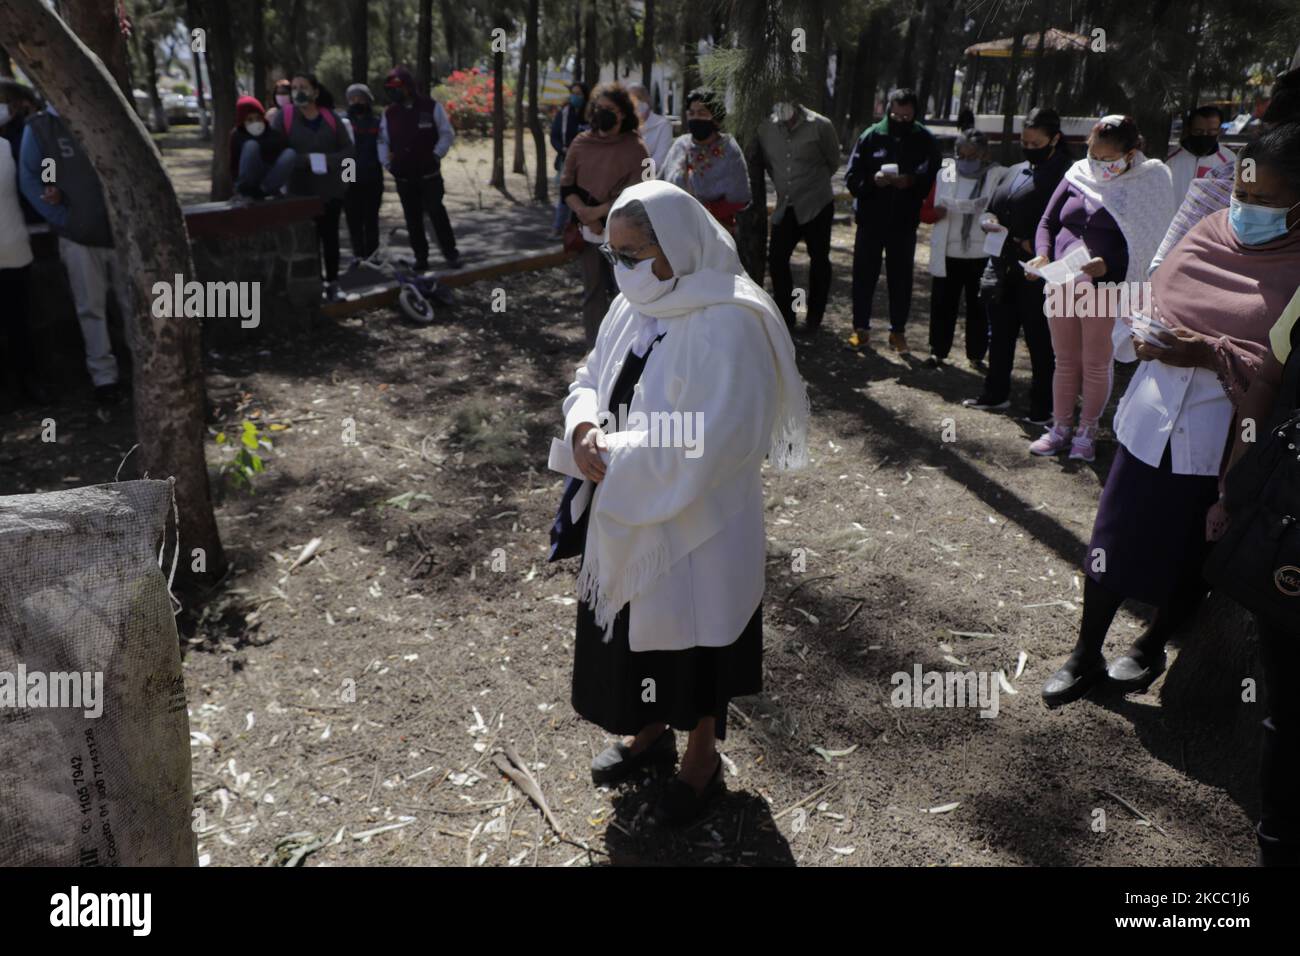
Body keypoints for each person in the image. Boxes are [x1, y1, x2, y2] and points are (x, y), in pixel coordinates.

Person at [553, 180, 809, 826]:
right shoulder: (634, 303)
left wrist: (621, 457)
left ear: (678, 244)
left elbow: (725, 433)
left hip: (700, 518)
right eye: (613, 254)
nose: (624, 268)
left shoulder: (731, 318)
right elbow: (591, 375)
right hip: (627, 498)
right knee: (637, 631)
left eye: (635, 253)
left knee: (698, 640)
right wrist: (584, 427)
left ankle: (701, 760)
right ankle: (649, 733)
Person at [1041, 124, 1300, 710]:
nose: (1245, 210)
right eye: (1242, 194)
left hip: (1224, 437)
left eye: (1264, 201)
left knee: (1193, 554)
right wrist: (1146, 330)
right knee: (1111, 540)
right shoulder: (1207, 231)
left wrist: (1208, 352)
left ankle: (1155, 641)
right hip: (1150, 420)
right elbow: (1154, 292)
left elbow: (1286, 369)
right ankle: (1084, 650)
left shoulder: (1297, 271)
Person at [1026, 115, 1175, 462]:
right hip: (1061, 280)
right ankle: (1060, 427)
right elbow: (1048, 221)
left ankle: (1087, 431)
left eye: (1108, 159)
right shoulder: (1078, 173)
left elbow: (1150, 241)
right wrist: (1042, 255)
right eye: (1094, 155)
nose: (1098, 165)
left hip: (1105, 286)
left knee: (1095, 361)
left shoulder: (1150, 180)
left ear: (1130, 152)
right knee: (1063, 359)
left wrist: (1108, 263)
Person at [963, 108, 1070, 421]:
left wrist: (1035, 245)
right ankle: (996, 393)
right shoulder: (1015, 169)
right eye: (1025, 142)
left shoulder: (1067, 174)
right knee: (1001, 333)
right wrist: (990, 221)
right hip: (1004, 266)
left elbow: (1069, 223)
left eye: (1036, 143)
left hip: (1041, 273)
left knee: (1040, 341)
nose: (1029, 148)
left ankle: (1043, 407)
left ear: (1055, 139)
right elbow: (994, 206)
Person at [19, 104, 129, 405]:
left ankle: (143, 364)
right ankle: (104, 378)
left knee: (133, 305)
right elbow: (33, 178)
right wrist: (60, 217)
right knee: (90, 309)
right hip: (79, 237)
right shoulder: (42, 128)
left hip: (122, 233)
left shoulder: (102, 111)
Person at [1151, 69, 1300, 272]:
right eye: (1241, 196)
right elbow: (1162, 266)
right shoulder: (1224, 176)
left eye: (1211, 132)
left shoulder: (1228, 159)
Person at [845, 88, 942, 352]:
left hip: (904, 222)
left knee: (901, 279)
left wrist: (911, 181)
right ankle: (860, 329)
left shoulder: (925, 139)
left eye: (906, 116)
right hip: (870, 221)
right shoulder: (871, 136)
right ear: (889, 111)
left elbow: (935, 175)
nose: (900, 121)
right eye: (895, 115)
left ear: (914, 114)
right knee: (864, 277)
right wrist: (871, 182)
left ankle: (897, 331)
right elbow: (852, 177)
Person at [560, 83, 649, 347]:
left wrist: (600, 214)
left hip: (624, 235)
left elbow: (642, 191)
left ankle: (630, 348)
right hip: (588, 233)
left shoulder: (636, 149)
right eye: (598, 108)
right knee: (593, 292)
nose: (601, 113)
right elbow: (566, 186)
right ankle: (594, 349)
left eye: (608, 109)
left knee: (628, 291)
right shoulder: (581, 143)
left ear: (622, 113)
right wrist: (584, 214)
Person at [924, 129, 1007, 368]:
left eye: (972, 156)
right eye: (962, 155)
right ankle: (937, 351)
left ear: (984, 154)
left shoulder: (996, 175)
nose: (966, 161)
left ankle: (976, 355)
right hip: (949, 251)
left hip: (981, 253)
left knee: (978, 307)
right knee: (942, 305)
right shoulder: (947, 172)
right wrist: (936, 212)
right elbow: (928, 209)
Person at [758, 99, 841, 334]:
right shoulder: (766, 128)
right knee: (776, 259)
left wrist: (810, 184)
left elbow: (832, 161)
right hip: (786, 205)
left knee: (819, 260)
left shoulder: (821, 125)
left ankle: (814, 317)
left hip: (817, 203)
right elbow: (769, 165)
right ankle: (787, 314)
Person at [273, 73, 354, 292]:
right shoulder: (284, 117)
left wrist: (333, 167)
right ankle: (312, 286)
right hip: (300, 193)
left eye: (304, 87)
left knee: (331, 239)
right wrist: (305, 160)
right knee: (306, 241)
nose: (298, 92)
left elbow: (349, 152)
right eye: (295, 88)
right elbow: (276, 151)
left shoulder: (331, 118)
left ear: (315, 92)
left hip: (331, 192)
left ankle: (333, 283)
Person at [380, 66, 460, 271]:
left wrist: (436, 154)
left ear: (408, 87)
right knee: (412, 218)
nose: (393, 91)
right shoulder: (389, 114)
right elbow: (382, 141)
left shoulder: (431, 107)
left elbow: (447, 133)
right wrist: (388, 164)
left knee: (436, 212)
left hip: (429, 173)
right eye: (389, 88)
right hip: (404, 176)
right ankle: (421, 258)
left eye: (397, 87)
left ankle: (451, 254)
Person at [660, 88, 750, 232]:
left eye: (702, 113)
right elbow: (661, 181)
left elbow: (739, 198)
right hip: (673, 227)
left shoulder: (728, 148)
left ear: (715, 117)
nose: (696, 118)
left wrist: (700, 212)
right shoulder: (681, 144)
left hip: (714, 230)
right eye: (691, 113)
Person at [0, 103, 37, 412]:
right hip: (14, 247)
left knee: (19, 325)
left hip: (14, 250)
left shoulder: (10, 146)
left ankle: (26, 383)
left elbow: (34, 183)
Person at [343, 83, 383, 260]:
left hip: (372, 175)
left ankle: (373, 253)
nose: (356, 102)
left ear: (367, 100)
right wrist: (347, 178)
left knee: (371, 218)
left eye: (359, 98)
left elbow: (383, 147)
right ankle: (358, 254)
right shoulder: (343, 122)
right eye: (352, 99)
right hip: (349, 174)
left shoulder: (377, 122)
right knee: (353, 219)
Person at [229, 95, 294, 199]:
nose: (255, 122)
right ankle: (246, 190)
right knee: (251, 145)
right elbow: (234, 165)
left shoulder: (272, 134)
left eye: (258, 118)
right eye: (250, 120)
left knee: (290, 153)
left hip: (268, 179)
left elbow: (282, 157)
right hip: (248, 179)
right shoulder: (237, 135)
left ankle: (264, 190)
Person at [1165, 105, 1235, 202]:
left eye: (1211, 132)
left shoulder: (1229, 161)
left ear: (1219, 131)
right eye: (1198, 132)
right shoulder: (1170, 158)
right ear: (1189, 129)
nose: (1204, 136)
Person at [550, 82, 589, 237]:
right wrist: (562, 149)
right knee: (565, 194)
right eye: (573, 93)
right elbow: (554, 136)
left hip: (586, 162)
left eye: (579, 94)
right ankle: (558, 227)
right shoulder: (564, 113)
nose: (575, 97)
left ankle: (577, 228)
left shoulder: (590, 114)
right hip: (566, 160)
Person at [626, 82, 671, 175]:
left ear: (648, 100)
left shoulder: (663, 125)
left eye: (639, 97)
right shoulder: (624, 126)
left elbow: (659, 161)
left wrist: (634, 172)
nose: (636, 102)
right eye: (631, 99)